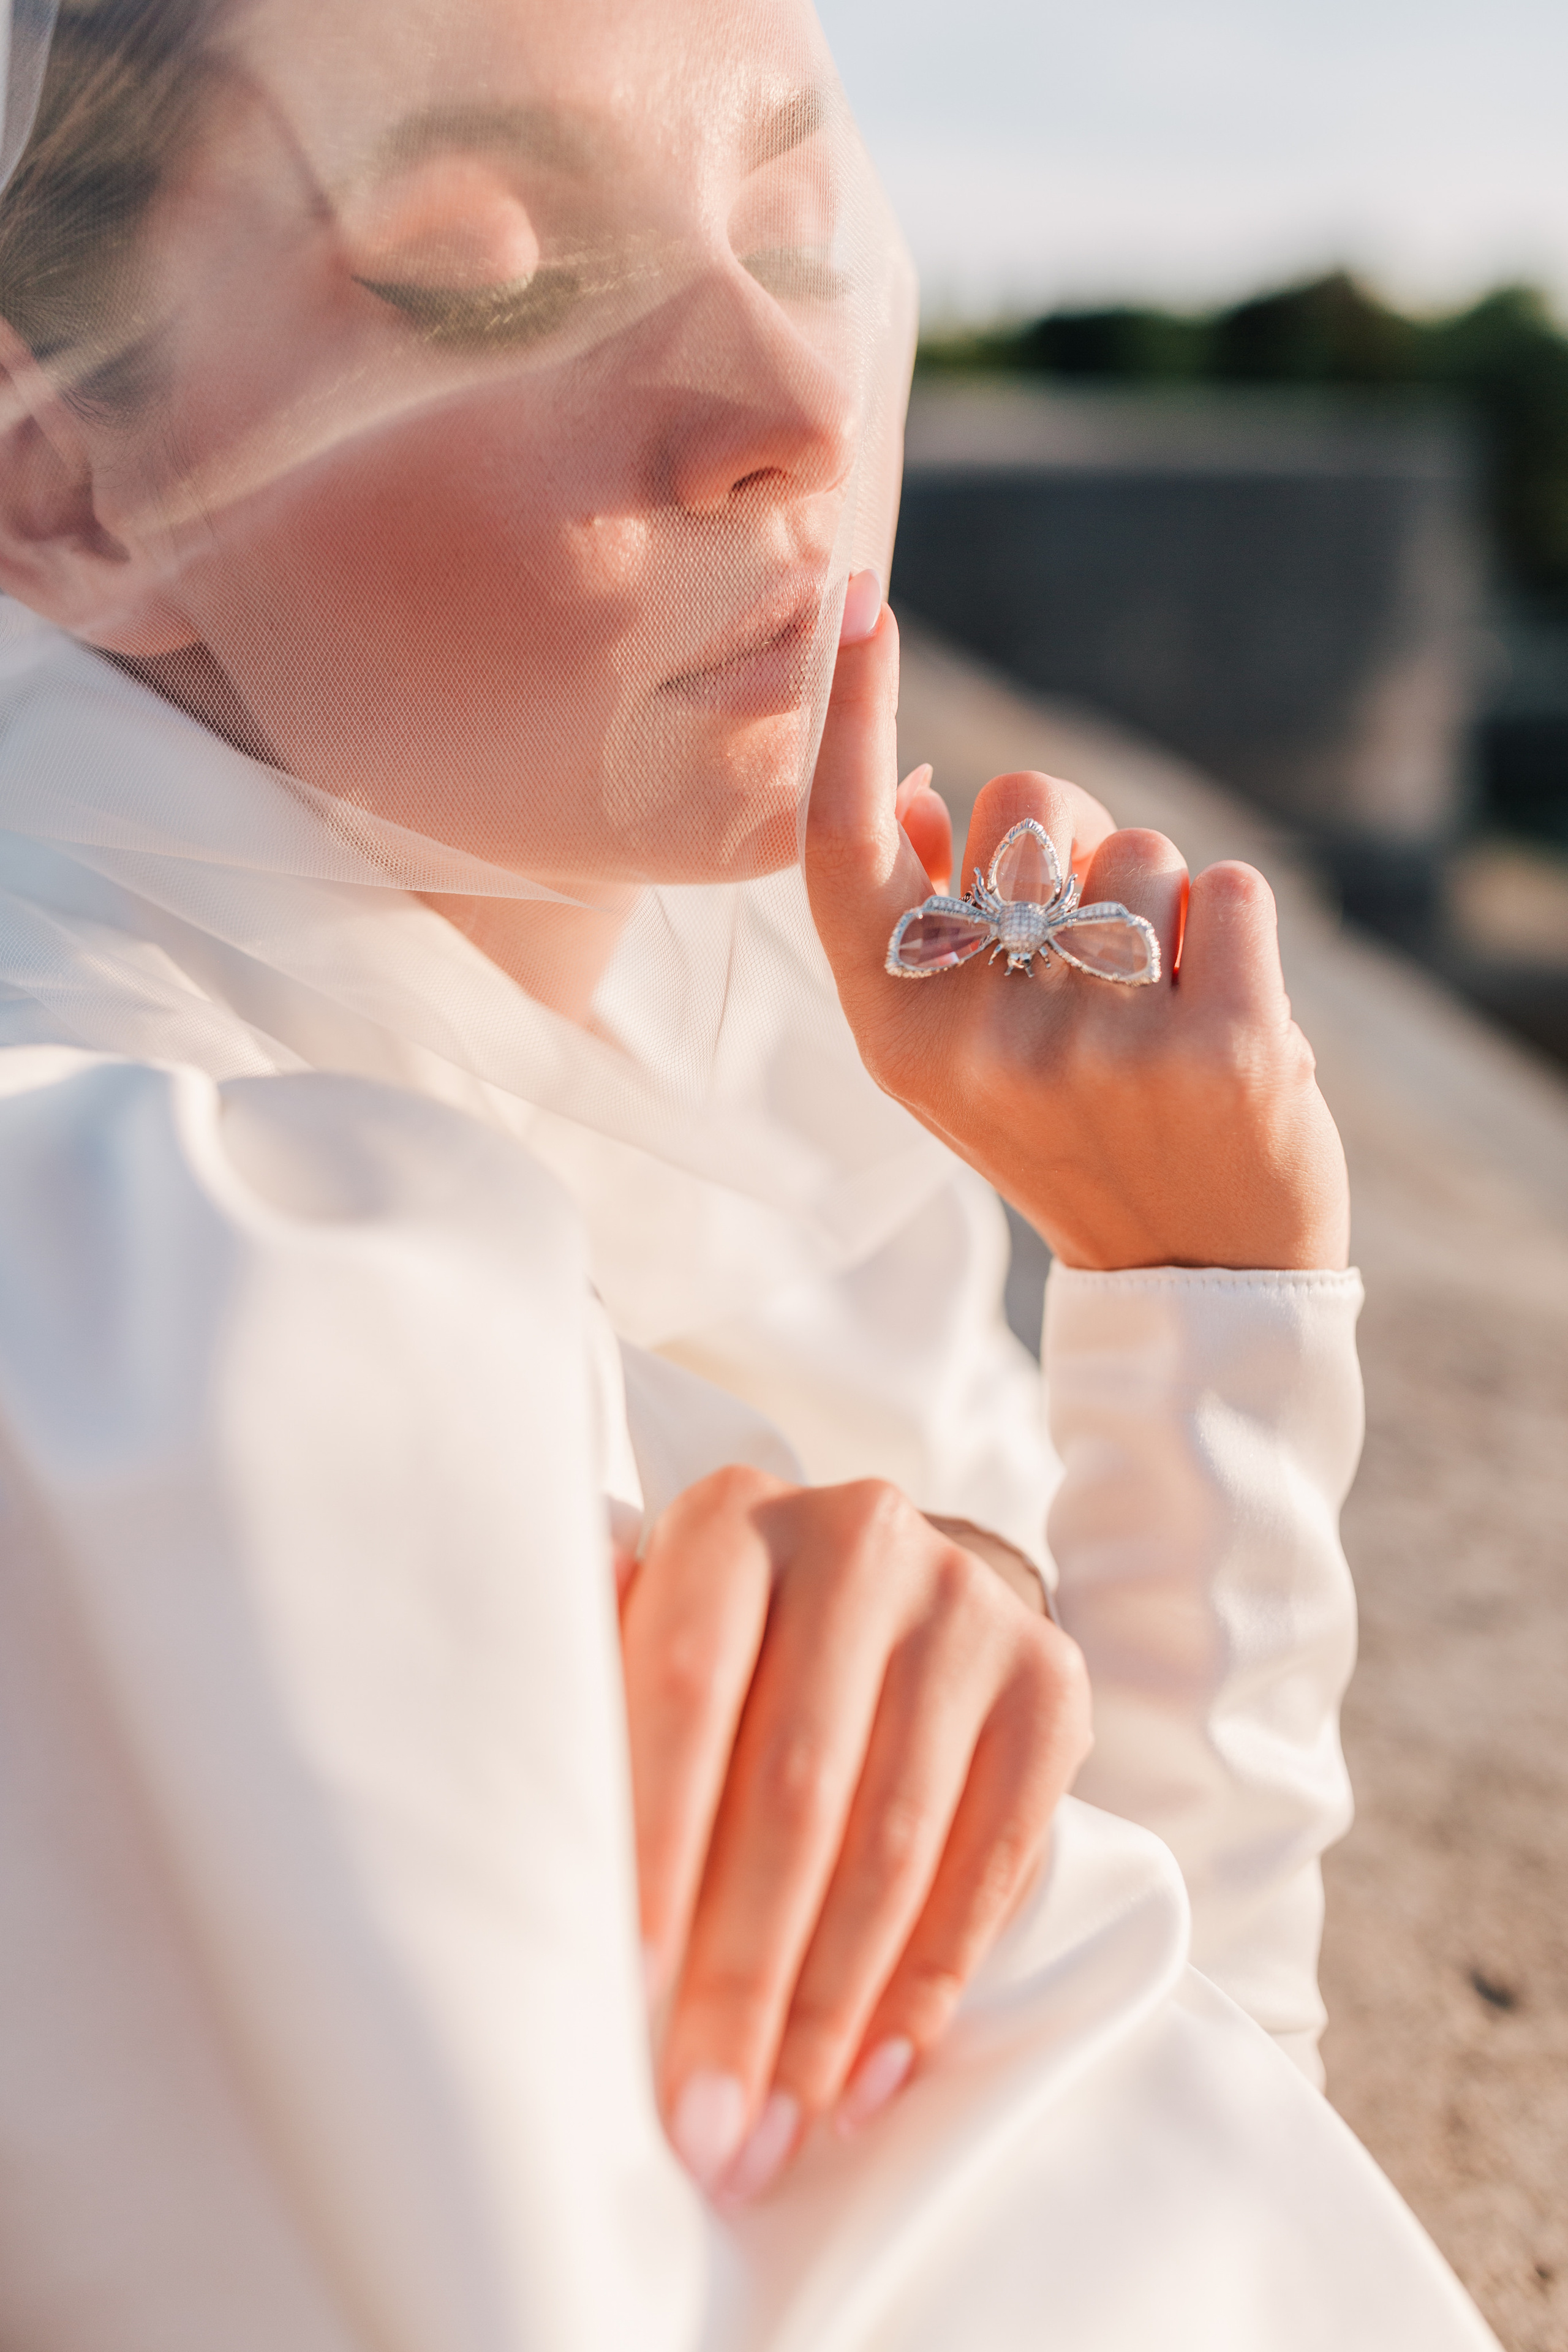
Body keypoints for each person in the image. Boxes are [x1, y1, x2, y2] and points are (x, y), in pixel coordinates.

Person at [0, 0, 1499, 2345]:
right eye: (493, 276)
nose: (802, 405)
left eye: (795, 224)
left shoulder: (719, 1049)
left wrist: (1187, 1289)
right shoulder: (156, 1315)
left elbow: (1205, 2133)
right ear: (67, 489)